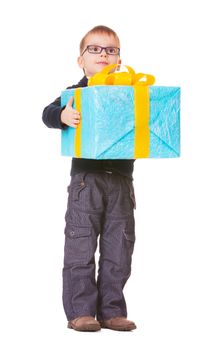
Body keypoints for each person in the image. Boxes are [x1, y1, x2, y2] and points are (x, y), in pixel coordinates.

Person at [42, 25, 137, 332]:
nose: (103, 55)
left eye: (111, 50)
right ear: (81, 60)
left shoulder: (129, 92)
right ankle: (81, 311)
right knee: (81, 246)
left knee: (118, 249)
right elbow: (47, 112)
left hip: (122, 181)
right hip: (86, 181)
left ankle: (111, 310)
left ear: (119, 60)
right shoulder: (76, 92)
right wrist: (61, 116)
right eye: (94, 49)